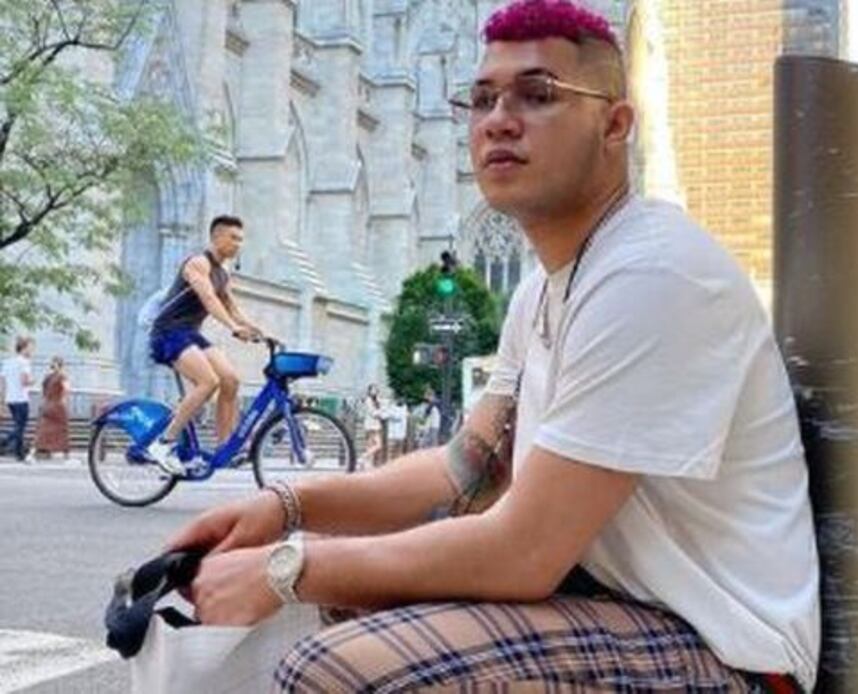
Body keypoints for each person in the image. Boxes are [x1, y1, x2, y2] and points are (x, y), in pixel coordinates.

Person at [165, 2, 818, 691]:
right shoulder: (540, 290)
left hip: (726, 651)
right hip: (606, 606)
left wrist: (285, 566)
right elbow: (462, 473)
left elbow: (524, 551)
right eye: (482, 100)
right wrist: (284, 510)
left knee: (333, 666)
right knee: (345, 586)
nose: (499, 120)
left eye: (538, 95)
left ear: (615, 124)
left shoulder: (654, 274)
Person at [144, 215, 264, 475]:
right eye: (233, 238)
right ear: (217, 237)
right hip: (168, 332)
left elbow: (232, 308)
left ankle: (225, 447)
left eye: (241, 239)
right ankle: (164, 444)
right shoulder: (197, 263)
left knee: (230, 379)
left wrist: (259, 331)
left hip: (190, 333)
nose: (238, 244)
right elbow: (209, 300)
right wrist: (233, 328)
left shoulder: (222, 273)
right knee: (208, 382)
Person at [1, 337, 35, 463]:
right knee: (20, 427)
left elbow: (3, 382)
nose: (32, 351)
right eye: (30, 348)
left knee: (18, 425)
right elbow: (24, 381)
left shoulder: (7, 362)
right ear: (24, 348)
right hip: (21, 398)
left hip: (10, 398)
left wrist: (2, 400)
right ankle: (3, 442)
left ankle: (19, 454)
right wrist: (33, 381)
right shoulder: (24, 363)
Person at [34, 356, 71, 462]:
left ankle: (50, 450)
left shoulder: (55, 377)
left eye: (55, 364)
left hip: (53, 404)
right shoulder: (56, 377)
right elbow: (65, 390)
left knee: (52, 430)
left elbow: (65, 390)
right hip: (54, 404)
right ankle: (49, 451)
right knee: (52, 430)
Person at [359, 384, 386, 467]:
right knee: (377, 445)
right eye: (373, 389)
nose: (374, 391)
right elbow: (373, 413)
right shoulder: (368, 400)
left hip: (375, 424)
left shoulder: (377, 400)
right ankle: (364, 457)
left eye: (376, 389)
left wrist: (381, 410)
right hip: (371, 425)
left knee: (371, 445)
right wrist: (382, 413)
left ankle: (366, 462)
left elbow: (379, 410)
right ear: (369, 391)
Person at [413, 385, 442, 449]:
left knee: (432, 441)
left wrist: (422, 419)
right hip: (431, 425)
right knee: (430, 441)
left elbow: (426, 413)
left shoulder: (434, 403)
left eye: (426, 396)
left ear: (431, 396)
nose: (425, 398)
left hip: (433, 425)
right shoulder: (433, 403)